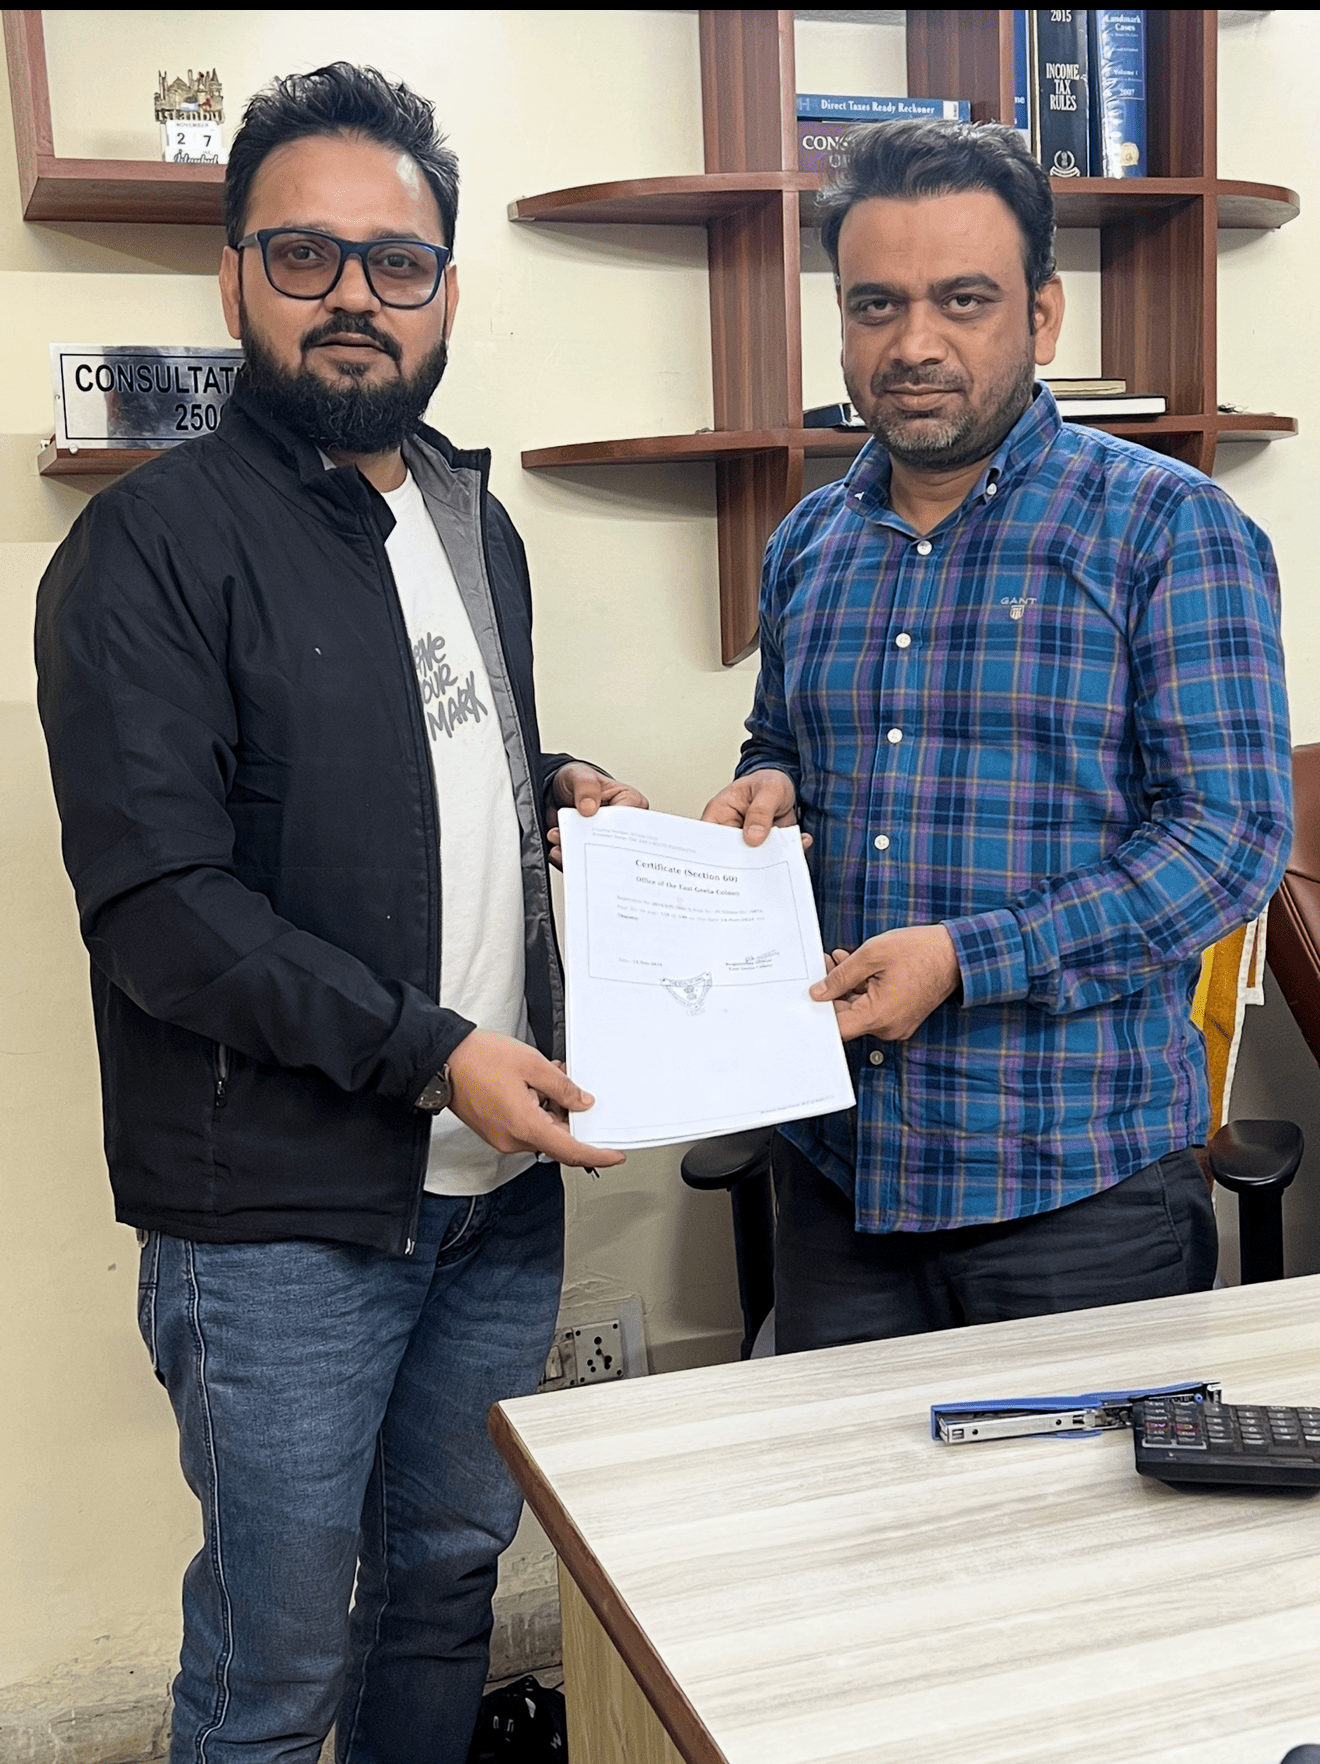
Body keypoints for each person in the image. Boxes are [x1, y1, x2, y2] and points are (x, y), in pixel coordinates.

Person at [35, 64, 646, 1764]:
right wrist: (440, 1054)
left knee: (446, 1590)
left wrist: (552, 788)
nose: (356, 295)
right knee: (274, 1669)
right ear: (233, 274)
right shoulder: (146, 549)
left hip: (496, 1198)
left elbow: (419, 752)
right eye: (305, 254)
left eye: (399, 259)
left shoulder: (469, 516)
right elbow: (163, 908)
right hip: (280, 1224)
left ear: (446, 284)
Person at [702, 120, 1292, 1355]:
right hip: (841, 1174)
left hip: (1079, 1190)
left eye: (963, 300)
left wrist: (969, 958)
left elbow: (1229, 842)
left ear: (1043, 315)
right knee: (847, 1486)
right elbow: (779, 740)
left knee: (1091, 1492)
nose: (914, 343)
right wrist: (765, 784)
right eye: (876, 304)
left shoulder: (1169, 529)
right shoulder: (807, 543)